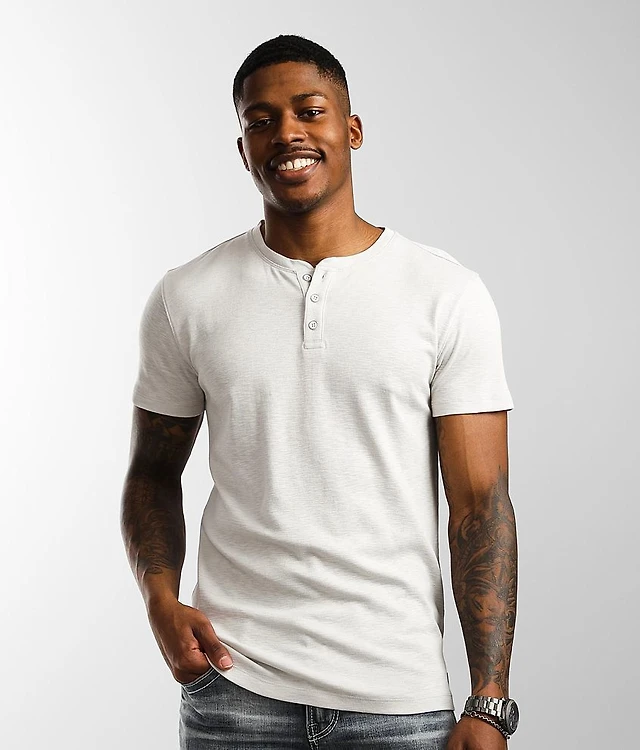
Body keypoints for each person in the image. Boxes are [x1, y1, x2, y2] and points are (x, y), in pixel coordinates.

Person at [121, 34, 519, 750]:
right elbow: (152, 473)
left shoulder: (445, 293)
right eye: (261, 120)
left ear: (352, 130)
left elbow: (481, 505)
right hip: (234, 689)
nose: (287, 134)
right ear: (243, 149)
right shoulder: (188, 296)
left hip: (397, 699)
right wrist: (159, 602)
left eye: (310, 111)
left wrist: (488, 701)